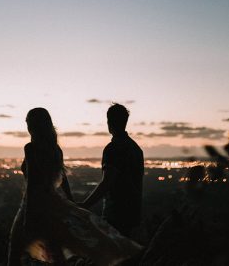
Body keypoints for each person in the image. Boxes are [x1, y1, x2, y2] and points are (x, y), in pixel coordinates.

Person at [7, 107, 142, 266]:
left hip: (35, 203)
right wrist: (70, 201)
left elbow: (32, 185)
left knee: (17, 249)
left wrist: (28, 214)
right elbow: (63, 177)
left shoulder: (30, 149)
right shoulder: (56, 150)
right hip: (54, 203)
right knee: (55, 249)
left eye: (28, 122)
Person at [80, 103, 144, 237]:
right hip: (133, 213)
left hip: (115, 213)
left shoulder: (113, 148)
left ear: (109, 122)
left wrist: (85, 205)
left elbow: (107, 182)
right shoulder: (136, 149)